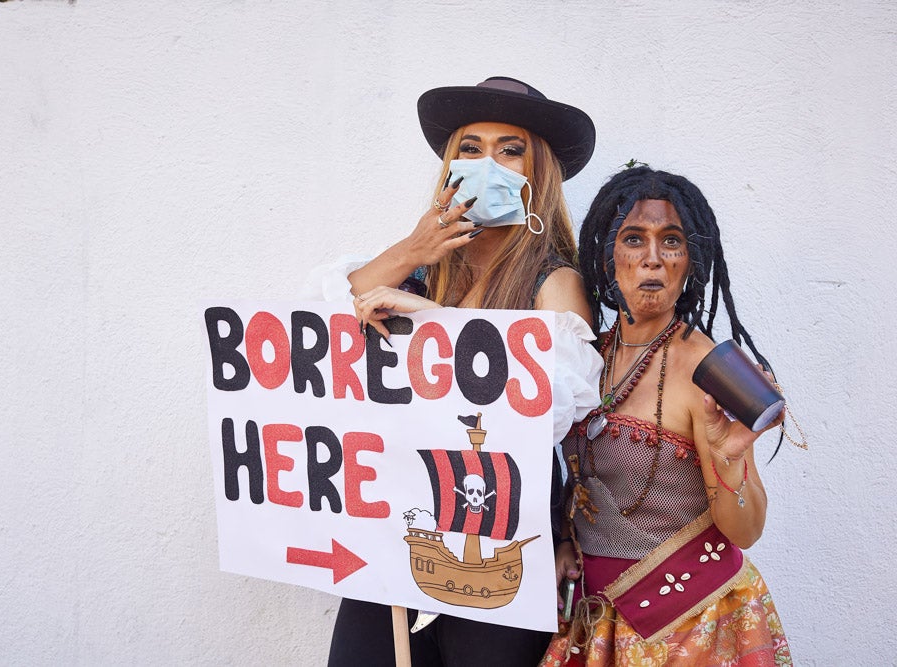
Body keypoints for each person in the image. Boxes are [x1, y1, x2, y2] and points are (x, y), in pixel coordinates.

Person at [302, 76, 603, 666]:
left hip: (498, 550)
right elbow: (306, 338)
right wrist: (412, 250)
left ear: (536, 173)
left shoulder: (554, 281)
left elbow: (554, 405)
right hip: (396, 532)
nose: (486, 163)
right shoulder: (419, 269)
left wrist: (437, 323)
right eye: (470, 147)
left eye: (509, 149)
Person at [541, 166, 791, 666]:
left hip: (692, 625)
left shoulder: (713, 369)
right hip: (594, 620)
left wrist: (728, 458)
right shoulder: (585, 356)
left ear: (690, 261)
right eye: (634, 239)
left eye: (671, 240)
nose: (652, 259)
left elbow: (746, 531)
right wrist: (564, 540)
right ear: (607, 254)